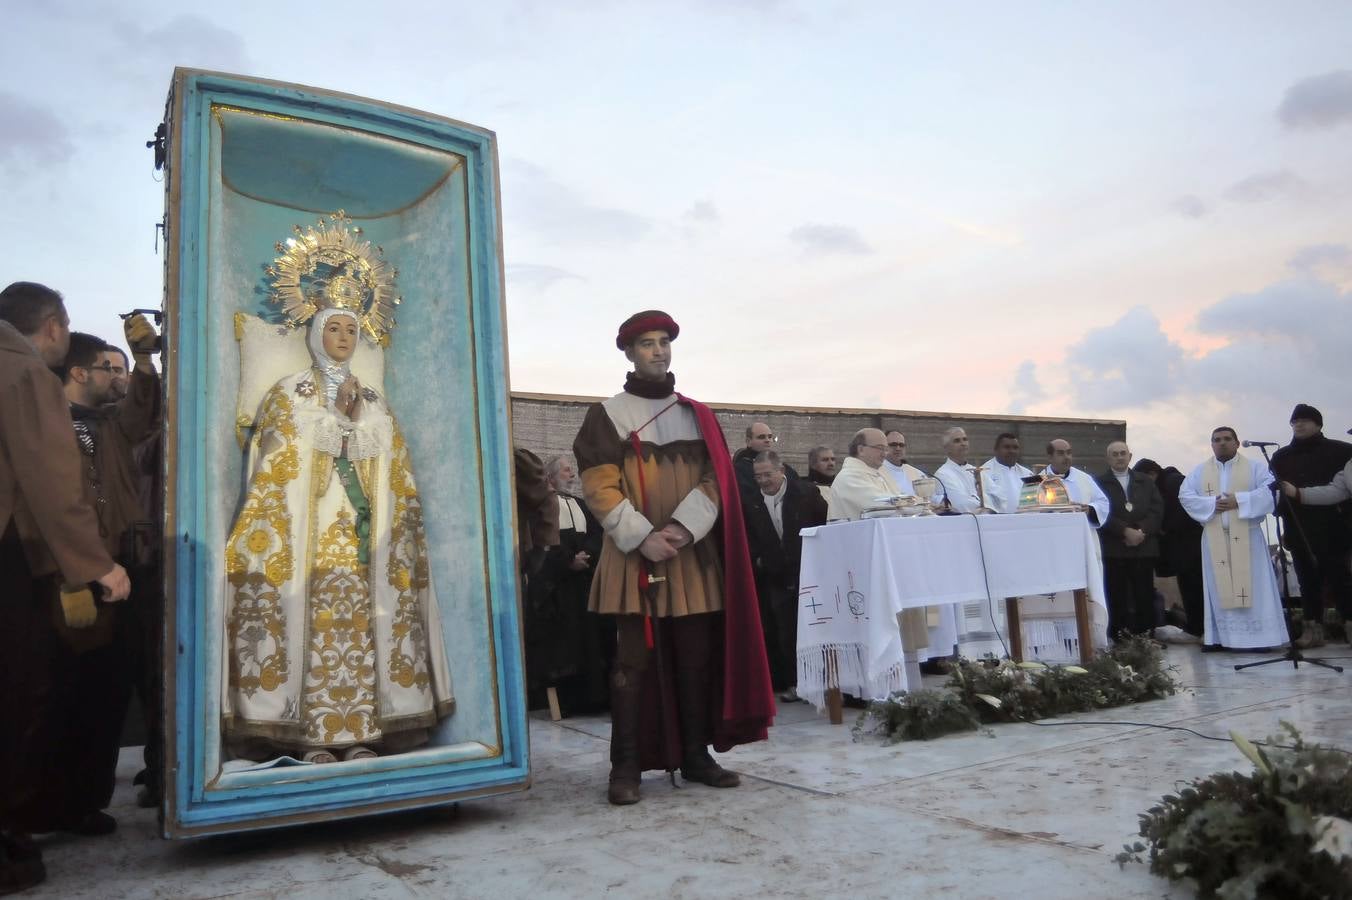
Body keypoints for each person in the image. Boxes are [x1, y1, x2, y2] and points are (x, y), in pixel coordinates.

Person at [222, 306, 454, 765]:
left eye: (352, 329)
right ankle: (306, 740)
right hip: (307, 539)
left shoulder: (375, 399)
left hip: (364, 540)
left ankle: (363, 735)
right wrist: (338, 423)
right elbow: (277, 463)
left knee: (366, 633)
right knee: (307, 627)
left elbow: (395, 471)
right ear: (315, 336)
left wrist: (354, 425)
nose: (344, 336)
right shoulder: (289, 394)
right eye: (333, 328)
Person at [572, 310, 772, 806]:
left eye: (664, 342)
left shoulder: (697, 415)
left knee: (695, 660)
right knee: (630, 665)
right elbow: (598, 486)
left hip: (689, 557)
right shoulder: (607, 414)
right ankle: (626, 767)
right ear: (629, 352)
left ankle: (697, 756)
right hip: (631, 557)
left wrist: (680, 531)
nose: (658, 350)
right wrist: (642, 538)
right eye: (647, 343)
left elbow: (715, 481)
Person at [1, 282, 131, 893]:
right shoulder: (24, 375)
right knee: (20, 692)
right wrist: (94, 564)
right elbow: (53, 481)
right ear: (52, 327)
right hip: (15, 560)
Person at [1180, 428, 1291, 651]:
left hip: (1249, 539)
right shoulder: (1200, 471)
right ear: (1211, 444)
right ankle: (1222, 638)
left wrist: (1239, 500)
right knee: (1218, 588)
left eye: (1227, 439)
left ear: (1237, 443)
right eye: (1216, 440)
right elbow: (1185, 496)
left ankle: (1260, 639)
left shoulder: (1256, 468)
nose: (1222, 443)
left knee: (1255, 586)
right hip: (1214, 539)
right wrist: (1213, 504)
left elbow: (1272, 492)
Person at [524, 455, 610, 714]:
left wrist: (586, 556)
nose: (572, 475)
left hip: (584, 585)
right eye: (566, 470)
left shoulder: (583, 506)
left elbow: (597, 535)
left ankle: (595, 699)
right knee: (565, 645)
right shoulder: (541, 508)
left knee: (593, 640)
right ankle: (567, 702)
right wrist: (567, 562)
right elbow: (542, 543)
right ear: (549, 477)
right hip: (558, 590)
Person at [744, 450, 826, 702]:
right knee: (784, 630)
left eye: (768, 474)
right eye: (758, 476)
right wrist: (759, 560)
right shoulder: (751, 501)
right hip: (775, 574)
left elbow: (823, 525)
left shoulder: (807, 494)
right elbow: (748, 537)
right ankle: (795, 683)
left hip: (808, 572)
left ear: (781, 470)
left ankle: (823, 680)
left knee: (814, 625)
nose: (763, 480)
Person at [1270, 404, 1352, 648]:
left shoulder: (1342, 451)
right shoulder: (1281, 457)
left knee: (1340, 578)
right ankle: (1312, 630)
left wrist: (1299, 493)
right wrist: (1283, 520)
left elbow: (1340, 490)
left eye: (1305, 420)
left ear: (1318, 424)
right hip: (1298, 526)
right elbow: (1276, 492)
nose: (1299, 424)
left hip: (1334, 526)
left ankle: (1349, 624)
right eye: (1295, 421)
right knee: (1307, 581)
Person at [1095, 441, 1163, 641]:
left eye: (1123, 453)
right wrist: (1123, 530)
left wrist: (1141, 530)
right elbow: (1100, 511)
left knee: (1144, 594)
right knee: (1117, 595)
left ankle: (1146, 639)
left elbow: (1157, 510)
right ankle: (1120, 637)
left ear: (1130, 456)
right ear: (1108, 458)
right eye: (1114, 454)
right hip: (1115, 548)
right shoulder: (1099, 483)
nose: (1119, 457)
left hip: (1143, 547)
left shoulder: (1145, 481)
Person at [1135, 458, 1205, 638]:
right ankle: (1196, 626)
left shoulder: (1174, 483)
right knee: (1188, 586)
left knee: (1194, 587)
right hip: (1183, 548)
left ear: (1152, 474)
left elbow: (1184, 511)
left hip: (1190, 547)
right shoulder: (1165, 484)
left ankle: (1198, 628)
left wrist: (1162, 527)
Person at [826, 428, 901, 521]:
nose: (884, 454)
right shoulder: (849, 477)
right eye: (880, 448)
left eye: (886, 449)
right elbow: (881, 506)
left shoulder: (879, 474)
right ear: (861, 449)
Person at [1044, 439, 1109, 526]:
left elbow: (1103, 503)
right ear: (1050, 457)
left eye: (1068, 453)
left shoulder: (1084, 478)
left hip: (1081, 534)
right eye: (1060, 453)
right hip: (1052, 534)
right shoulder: (1040, 481)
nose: (1066, 457)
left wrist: (1089, 509)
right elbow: (1031, 513)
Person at [733, 423, 797, 498]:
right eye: (761, 437)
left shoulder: (785, 468)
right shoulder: (740, 470)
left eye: (770, 437)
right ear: (748, 441)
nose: (767, 440)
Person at [982, 432, 1033, 515]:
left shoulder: (1028, 474)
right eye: (1007, 447)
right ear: (996, 450)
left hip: (1025, 522)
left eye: (1015, 448)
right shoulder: (984, 472)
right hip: (998, 522)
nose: (1012, 451)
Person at [934, 426, 982, 513]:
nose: (963, 443)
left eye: (965, 439)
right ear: (947, 448)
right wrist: (984, 505)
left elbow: (996, 498)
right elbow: (959, 503)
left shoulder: (977, 470)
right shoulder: (942, 474)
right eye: (957, 441)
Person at [881, 431, 931, 496]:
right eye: (893, 444)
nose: (898, 448)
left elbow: (931, 498)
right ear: (884, 447)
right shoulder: (877, 471)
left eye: (901, 445)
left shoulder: (917, 473)